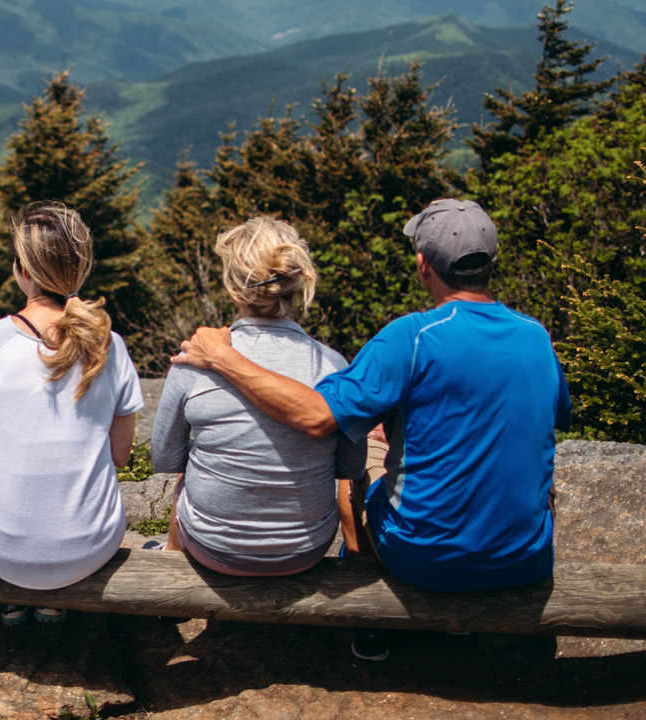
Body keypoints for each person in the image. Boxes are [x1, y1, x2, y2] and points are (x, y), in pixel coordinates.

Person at [174, 199, 571, 660]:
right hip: (523, 558)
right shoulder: (536, 336)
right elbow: (549, 415)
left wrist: (223, 357)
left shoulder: (412, 336)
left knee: (360, 459)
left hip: (423, 557)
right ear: (490, 262)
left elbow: (317, 416)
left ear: (424, 265)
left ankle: (370, 620)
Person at [0, 202, 143, 625]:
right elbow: (120, 455)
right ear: (80, 270)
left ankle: (15, 598)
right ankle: (56, 602)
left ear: (22, 271)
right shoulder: (110, 346)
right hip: (89, 547)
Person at [151, 218, 366, 575]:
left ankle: (170, 558)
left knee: (189, 470)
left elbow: (165, 457)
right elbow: (350, 466)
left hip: (213, 548)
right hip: (305, 549)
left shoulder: (195, 360)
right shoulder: (333, 365)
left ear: (234, 289)